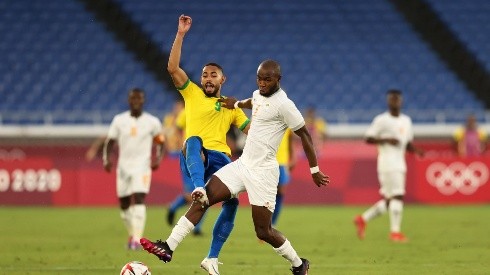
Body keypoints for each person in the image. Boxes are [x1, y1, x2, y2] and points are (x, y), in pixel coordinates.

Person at [140, 59, 329, 275]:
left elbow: (304, 135)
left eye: (267, 79)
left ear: (278, 79)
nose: (262, 83)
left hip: (264, 174)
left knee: (263, 231)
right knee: (203, 198)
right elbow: (254, 101)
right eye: (259, 78)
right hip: (242, 165)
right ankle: (168, 247)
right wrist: (237, 104)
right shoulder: (259, 93)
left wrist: (314, 170)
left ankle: (298, 264)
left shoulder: (285, 105)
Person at [160, 14, 251, 274]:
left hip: (222, 160)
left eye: (213, 75)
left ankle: (211, 257)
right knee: (193, 140)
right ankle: (199, 187)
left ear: (223, 80)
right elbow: (172, 68)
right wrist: (180, 34)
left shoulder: (231, 107)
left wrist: (242, 104)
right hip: (197, 154)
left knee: (232, 203)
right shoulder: (193, 94)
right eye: (204, 75)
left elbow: (253, 131)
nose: (208, 78)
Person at [353, 89, 424, 243]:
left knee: (390, 200)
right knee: (398, 196)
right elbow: (368, 138)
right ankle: (395, 233)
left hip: (400, 163)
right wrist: (386, 140)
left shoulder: (406, 121)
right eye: (391, 99)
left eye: (396, 99)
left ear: (401, 101)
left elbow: (407, 143)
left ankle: (362, 219)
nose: (394, 101)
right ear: (388, 101)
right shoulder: (382, 120)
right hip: (387, 163)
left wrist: (417, 151)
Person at [103, 88, 165, 250]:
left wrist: (158, 159)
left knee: (138, 198)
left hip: (142, 167)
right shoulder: (119, 120)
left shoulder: (152, 122)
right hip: (123, 168)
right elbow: (110, 141)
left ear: (144, 101)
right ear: (129, 101)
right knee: (124, 205)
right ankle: (133, 234)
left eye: (139, 98)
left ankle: (137, 240)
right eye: (133, 98)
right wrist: (106, 159)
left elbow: (160, 141)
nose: (136, 101)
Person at [272, 128, 296, 226]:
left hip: (282, 162)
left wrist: (293, 158)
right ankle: (264, 222)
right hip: (268, 161)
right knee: (267, 192)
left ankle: (272, 223)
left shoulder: (287, 123)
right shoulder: (266, 120)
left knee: (281, 191)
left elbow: (291, 142)